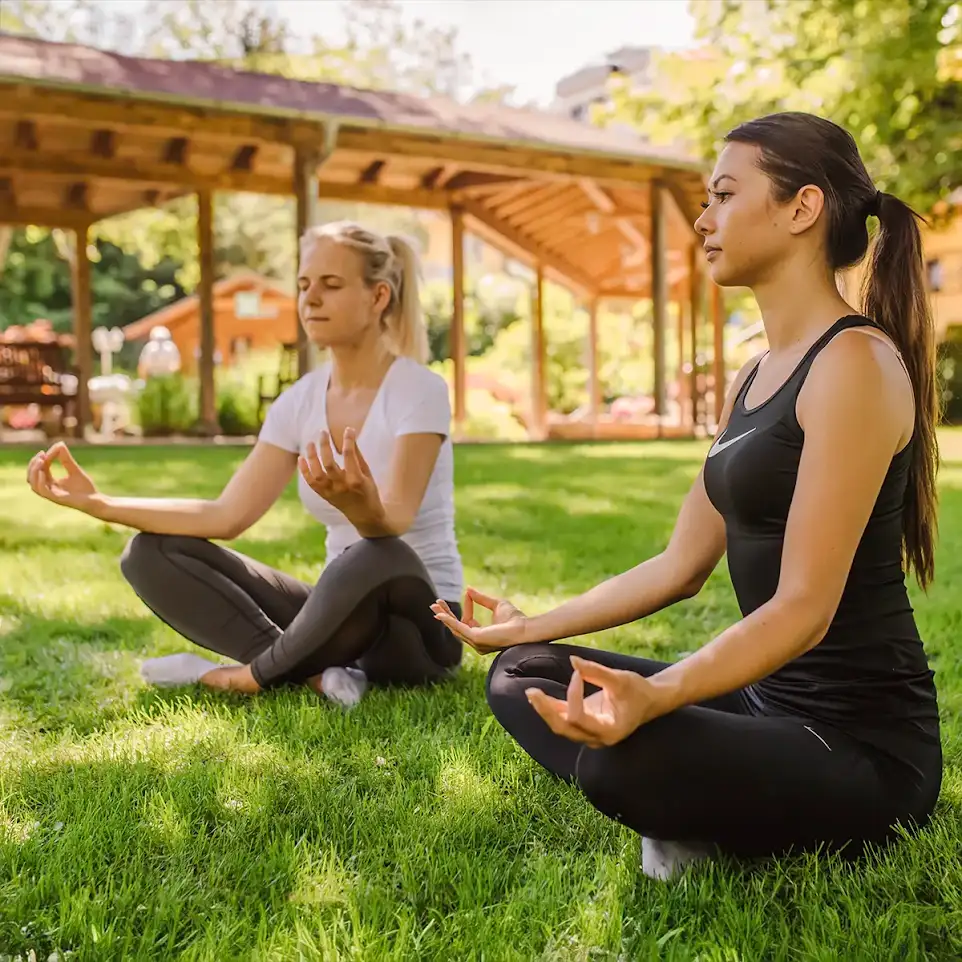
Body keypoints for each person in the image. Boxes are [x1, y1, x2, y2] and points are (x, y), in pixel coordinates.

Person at [431, 111, 943, 879]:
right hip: (764, 706)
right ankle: (700, 800)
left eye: (725, 195)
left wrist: (660, 694)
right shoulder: (755, 376)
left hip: (859, 743)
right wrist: (529, 624)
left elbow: (805, 609)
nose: (703, 221)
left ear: (802, 208)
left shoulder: (855, 367)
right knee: (524, 674)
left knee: (616, 758)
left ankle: (693, 805)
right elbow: (678, 565)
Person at [26, 220, 464, 707]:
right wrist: (101, 503)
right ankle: (313, 675)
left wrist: (362, 509)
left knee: (376, 554)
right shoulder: (298, 402)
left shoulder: (419, 390)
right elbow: (226, 516)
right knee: (150, 553)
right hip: (340, 620)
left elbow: (394, 522)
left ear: (379, 296)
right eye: (303, 285)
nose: (310, 299)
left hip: (421, 632)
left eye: (331, 285)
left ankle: (239, 677)